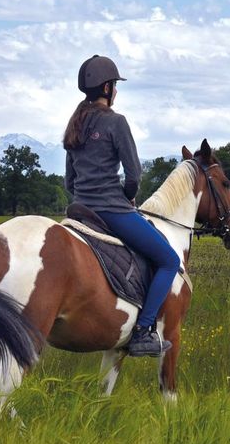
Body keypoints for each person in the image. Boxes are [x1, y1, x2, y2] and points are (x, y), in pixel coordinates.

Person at [63, 54, 179, 357]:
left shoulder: (75, 124)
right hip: (112, 211)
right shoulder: (116, 122)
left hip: (80, 210)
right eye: (114, 85)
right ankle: (143, 331)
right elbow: (134, 174)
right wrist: (128, 196)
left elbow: (69, 181)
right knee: (168, 260)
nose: (116, 90)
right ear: (106, 88)